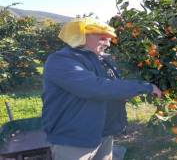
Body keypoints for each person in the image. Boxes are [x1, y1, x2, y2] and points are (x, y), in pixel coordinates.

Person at [42, 17, 162, 160]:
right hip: (74, 138)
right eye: (103, 38)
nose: (108, 43)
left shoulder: (102, 59)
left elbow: (112, 85)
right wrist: (145, 87)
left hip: (103, 132)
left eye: (109, 39)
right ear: (81, 37)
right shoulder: (61, 60)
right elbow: (94, 87)